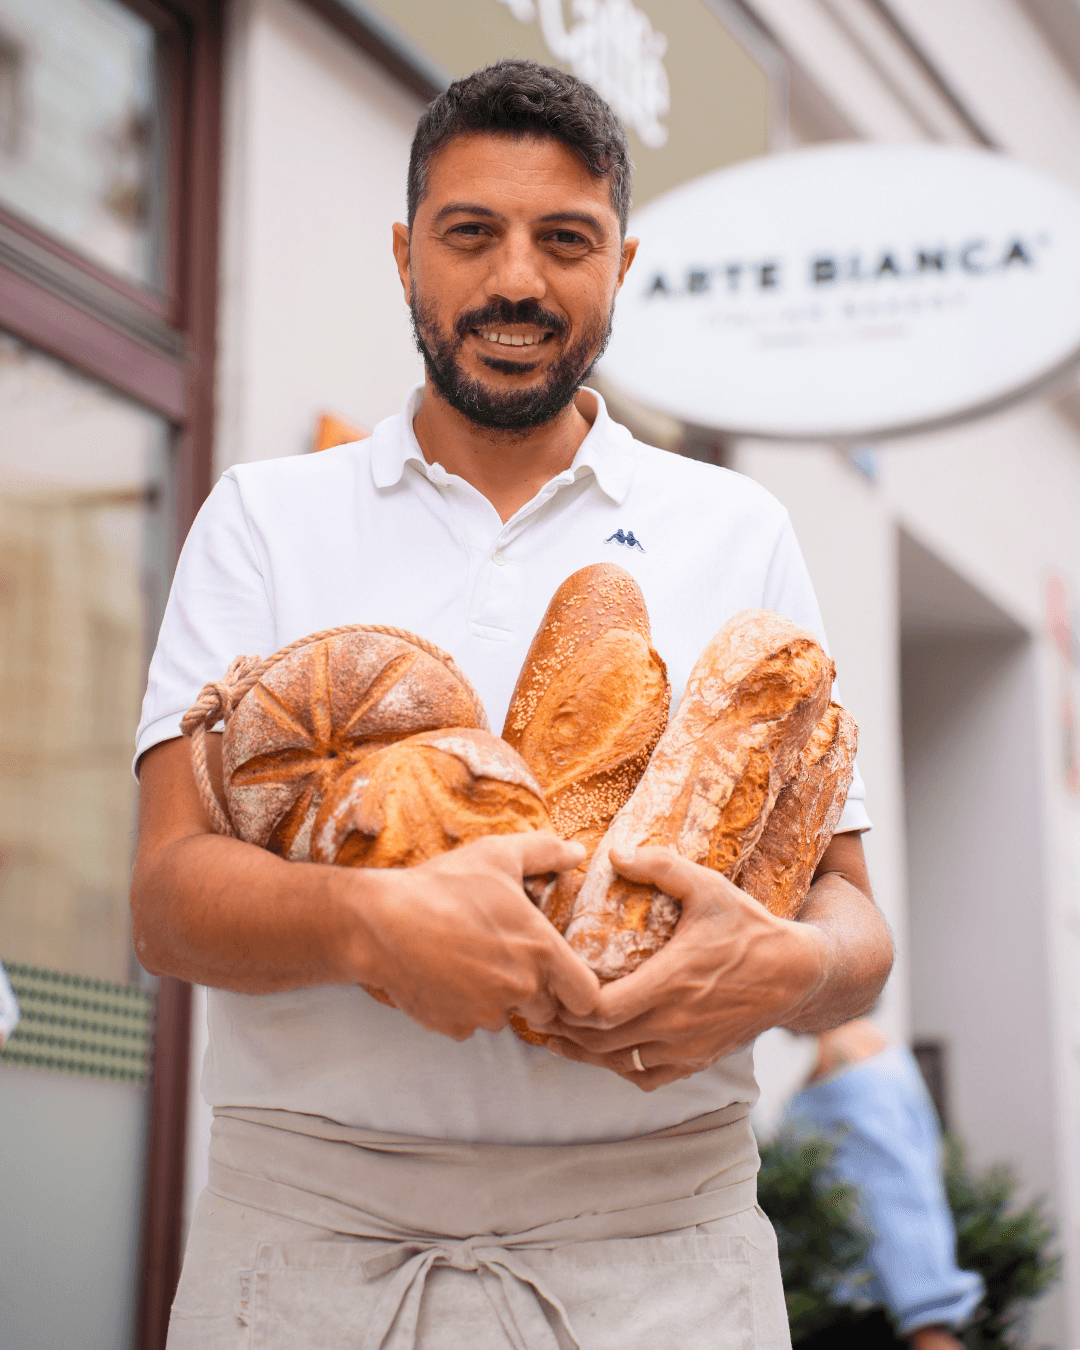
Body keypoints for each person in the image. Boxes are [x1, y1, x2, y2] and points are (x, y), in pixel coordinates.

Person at [131, 59, 893, 1349]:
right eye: (470, 233)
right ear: (405, 254)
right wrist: (368, 926)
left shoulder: (736, 526)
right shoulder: (265, 517)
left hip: (665, 1266)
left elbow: (854, 922)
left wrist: (787, 967)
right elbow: (165, 902)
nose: (517, 281)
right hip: (313, 1257)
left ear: (622, 265)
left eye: (566, 241)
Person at [786, 1020, 983, 1349]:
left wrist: (925, 1316)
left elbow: (895, 1190)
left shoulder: (850, 1063)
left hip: (875, 1311)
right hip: (867, 1301)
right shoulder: (871, 1050)